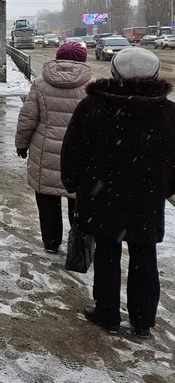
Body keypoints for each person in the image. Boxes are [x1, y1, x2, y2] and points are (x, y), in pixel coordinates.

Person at [61, 47, 175, 338]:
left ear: (114, 72)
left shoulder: (94, 106)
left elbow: (73, 149)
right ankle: (143, 320)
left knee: (107, 251)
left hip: (102, 195)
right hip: (146, 198)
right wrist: (164, 189)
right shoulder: (167, 111)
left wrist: (72, 182)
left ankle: (107, 313)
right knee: (144, 253)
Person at [15, 41, 92, 253]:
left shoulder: (41, 84)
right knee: (78, 202)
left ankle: (51, 243)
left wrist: (21, 144)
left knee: (48, 200)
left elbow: (28, 118)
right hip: (81, 156)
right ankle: (78, 245)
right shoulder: (93, 87)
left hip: (45, 152)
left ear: (58, 58)